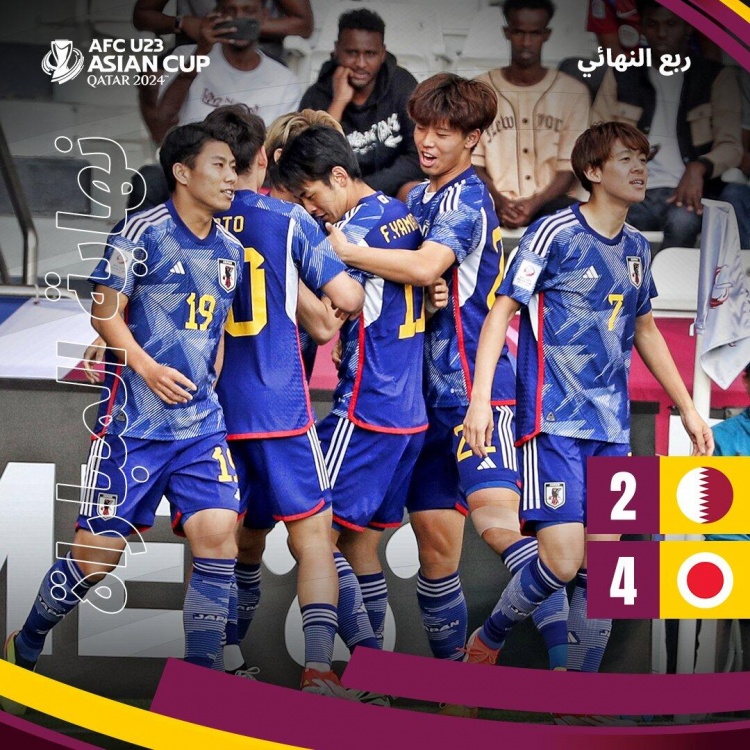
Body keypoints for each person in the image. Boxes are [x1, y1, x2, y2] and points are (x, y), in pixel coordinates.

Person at [1, 122, 245, 716]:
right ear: (183, 172)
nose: (232, 178)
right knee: (95, 562)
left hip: (200, 427)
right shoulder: (142, 231)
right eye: (219, 165)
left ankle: (201, 688)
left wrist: (206, 379)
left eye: (235, 166)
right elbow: (104, 311)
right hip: (132, 428)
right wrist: (145, 365)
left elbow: (213, 330)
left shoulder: (231, 251)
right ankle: (24, 645)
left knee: (218, 536)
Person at [322, 74, 557, 683]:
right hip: (422, 397)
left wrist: (345, 254)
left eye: (443, 132)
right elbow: (427, 284)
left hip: (479, 393)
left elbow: (429, 264)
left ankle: (558, 667)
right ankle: (458, 687)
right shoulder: (421, 199)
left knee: (502, 530)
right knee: (436, 549)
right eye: (422, 128)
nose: (426, 141)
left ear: (472, 138)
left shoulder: (468, 199)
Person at [461, 122, 713, 688]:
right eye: (627, 159)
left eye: (643, 158)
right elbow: (501, 313)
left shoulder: (636, 248)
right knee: (561, 561)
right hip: (552, 423)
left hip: (612, 428)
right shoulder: (553, 232)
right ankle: (488, 640)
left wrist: (689, 409)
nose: (640, 169)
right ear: (593, 172)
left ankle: (577, 699)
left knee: (603, 571)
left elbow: (645, 329)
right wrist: (480, 402)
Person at [207, 106, 364, 696]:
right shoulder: (286, 220)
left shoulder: (196, 219)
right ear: (266, 159)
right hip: (279, 406)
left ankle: (223, 659)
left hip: (213, 411)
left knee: (228, 540)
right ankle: (319, 670)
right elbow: (343, 302)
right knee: (313, 539)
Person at [277, 125, 428, 666]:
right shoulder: (400, 214)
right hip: (408, 414)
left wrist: (275, 263)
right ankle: (375, 679)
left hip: (366, 409)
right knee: (359, 544)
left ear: (339, 176)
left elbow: (326, 316)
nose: (310, 209)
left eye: (311, 195)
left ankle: (348, 663)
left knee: (312, 534)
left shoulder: (352, 232)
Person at [592, 1, 743, 251]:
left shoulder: (714, 76)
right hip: (631, 193)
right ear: (642, 28)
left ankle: (663, 278)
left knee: (682, 223)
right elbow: (595, 138)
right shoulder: (622, 73)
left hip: (688, 195)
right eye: (653, 24)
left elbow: (731, 146)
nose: (662, 33)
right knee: (611, 225)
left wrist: (698, 167)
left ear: (688, 28)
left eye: (671, 24)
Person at [473, 0, 590, 230]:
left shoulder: (573, 92)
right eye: (519, 32)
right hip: (491, 202)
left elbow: (569, 168)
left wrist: (533, 205)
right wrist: (500, 202)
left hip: (552, 205)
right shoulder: (479, 89)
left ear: (546, 34)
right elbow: (473, 165)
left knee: (578, 218)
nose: (526, 42)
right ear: (507, 32)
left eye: (535, 33)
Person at [299, 8, 423, 201]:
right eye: (352, 52)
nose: (361, 63)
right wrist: (338, 103)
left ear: (383, 53)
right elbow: (308, 161)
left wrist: (363, 189)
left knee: (412, 190)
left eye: (370, 54)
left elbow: (417, 155)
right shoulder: (317, 95)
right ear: (336, 50)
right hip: (337, 198)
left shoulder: (402, 85)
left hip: (390, 192)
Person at [152, 0, 302, 144]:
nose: (239, 17)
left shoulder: (284, 81)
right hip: (191, 157)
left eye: (249, 11)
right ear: (217, 14)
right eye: (230, 10)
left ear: (264, 16)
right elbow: (162, 121)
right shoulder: (186, 56)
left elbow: (278, 147)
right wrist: (200, 52)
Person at [133, 0, 314, 63]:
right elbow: (142, 16)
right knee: (152, 79)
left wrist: (238, 27)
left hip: (259, 54)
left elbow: (304, 24)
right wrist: (181, 22)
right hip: (194, 53)